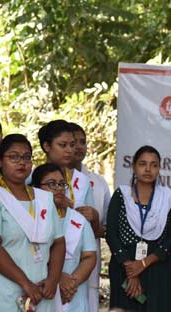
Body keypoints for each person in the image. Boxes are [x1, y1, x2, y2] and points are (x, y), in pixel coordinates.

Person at [0, 134, 65, 311]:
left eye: (26, 157)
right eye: (13, 157)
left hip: (42, 290)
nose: (21, 162)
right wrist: (25, 283)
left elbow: (59, 242)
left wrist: (53, 279)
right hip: (3, 292)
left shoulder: (44, 199)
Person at [106, 145, 171, 311]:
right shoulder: (122, 195)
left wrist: (143, 264)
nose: (148, 169)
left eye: (154, 165)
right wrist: (131, 269)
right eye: (143, 164)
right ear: (133, 167)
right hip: (123, 267)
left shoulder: (167, 197)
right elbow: (111, 234)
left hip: (157, 269)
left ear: (159, 169)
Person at [31, 163, 96, 311]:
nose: (59, 188)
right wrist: (58, 277)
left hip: (73, 296)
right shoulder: (30, 217)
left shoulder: (78, 219)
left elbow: (90, 256)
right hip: (42, 291)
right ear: (35, 187)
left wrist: (71, 284)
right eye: (51, 184)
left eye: (61, 184)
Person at [69, 122, 111, 311]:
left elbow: (107, 228)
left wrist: (94, 220)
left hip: (87, 260)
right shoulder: (42, 178)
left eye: (82, 142)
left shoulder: (97, 182)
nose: (78, 147)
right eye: (72, 142)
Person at [38, 120, 100, 235]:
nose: (70, 150)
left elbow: (92, 230)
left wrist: (95, 217)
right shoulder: (32, 178)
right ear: (47, 146)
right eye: (63, 145)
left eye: (72, 145)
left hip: (76, 249)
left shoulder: (82, 181)